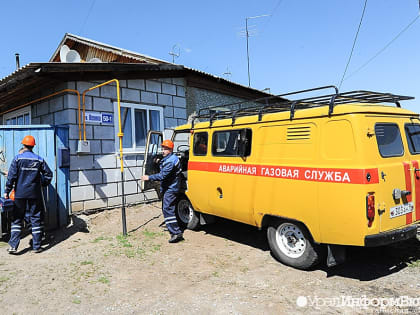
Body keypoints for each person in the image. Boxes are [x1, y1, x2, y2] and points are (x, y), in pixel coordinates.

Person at [4, 135, 53, 254]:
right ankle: (37, 247)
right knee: (35, 219)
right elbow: (49, 174)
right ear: (33, 146)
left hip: (20, 194)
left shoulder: (17, 159)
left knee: (16, 219)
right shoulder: (39, 159)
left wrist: (7, 190)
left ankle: (13, 247)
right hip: (35, 194)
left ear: (23, 145)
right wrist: (41, 184)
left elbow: (11, 176)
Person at [141, 139, 184, 243]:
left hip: (171, 188)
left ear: (170, 150)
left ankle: (176, 233)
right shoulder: (170, 158)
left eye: (165, 149)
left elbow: (163, 175)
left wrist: (149, 177)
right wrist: (158, 161)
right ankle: (174, 229)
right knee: (168, 208)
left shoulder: (170, 161)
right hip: (170, 186)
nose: (163, 150)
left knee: (167, 209)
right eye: (163, 148)